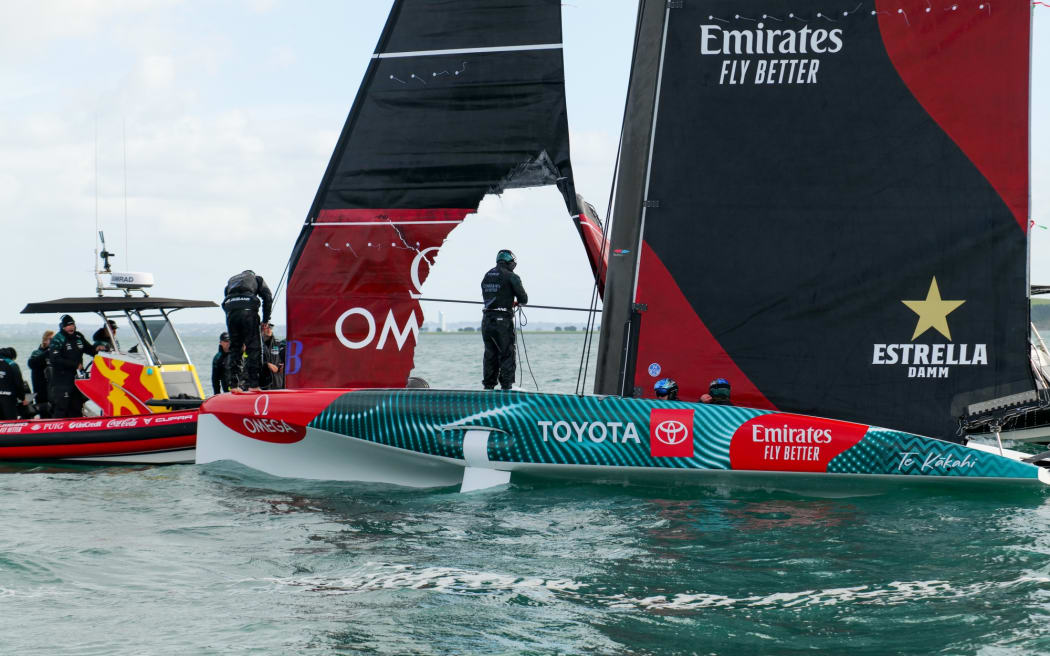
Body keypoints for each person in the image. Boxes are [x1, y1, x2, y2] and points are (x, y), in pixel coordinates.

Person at [480, 249, 527, 390]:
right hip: (502, 322)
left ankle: (488, 387)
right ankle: (506, 387)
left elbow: (494, 296)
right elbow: (523, 299)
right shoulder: (512, 276)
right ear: (510, 263)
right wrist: (514, 301)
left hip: (487, 320)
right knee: (507, 353)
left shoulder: (487, 275)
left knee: (490, 354)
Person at [221, 270, 273, 392]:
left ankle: (234, 386)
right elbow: (268, 297)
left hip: (230, 310)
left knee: (235, 348)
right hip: (248, 309)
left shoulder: (232, 279)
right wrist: (266, 320)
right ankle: (254, 385)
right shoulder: (257, 279)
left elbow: (226, 294)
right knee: (253, 348)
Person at [47, 315, 92, 418]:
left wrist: (99, 349)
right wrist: (75, 365)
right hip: (62, 381)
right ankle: (56, 431)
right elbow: (54, 359)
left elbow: (90, 349)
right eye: (68, 325)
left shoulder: (79, 337)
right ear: (63, 327)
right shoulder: (58, 338)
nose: (71, 327)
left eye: (73, 325)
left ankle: (77, 430)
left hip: (77, 380)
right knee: (62, 408)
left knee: (77, 407)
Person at [28, 330, 54, 418]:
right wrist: (48, 352)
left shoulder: (56, 354)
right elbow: (31, 363)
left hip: (55, 392)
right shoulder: (37, 353)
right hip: (41, 392)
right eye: (51, 339)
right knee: (46, 415)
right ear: (45, 340)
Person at [0, 347, 28, 420]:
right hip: (8, 399)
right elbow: (18, 383)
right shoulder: (12, 364)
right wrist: (23, 398)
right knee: (10, 422)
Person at [259, 322, 285, 390]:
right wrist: (266, 364)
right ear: (261, 329)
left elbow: (289, 358)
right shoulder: (255, 346)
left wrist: (285, 365)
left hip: (278, 384)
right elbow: (249, 362)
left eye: (270, 327)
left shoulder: (279, 344)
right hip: (263, 385)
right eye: (266, 327)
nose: (269, 329)